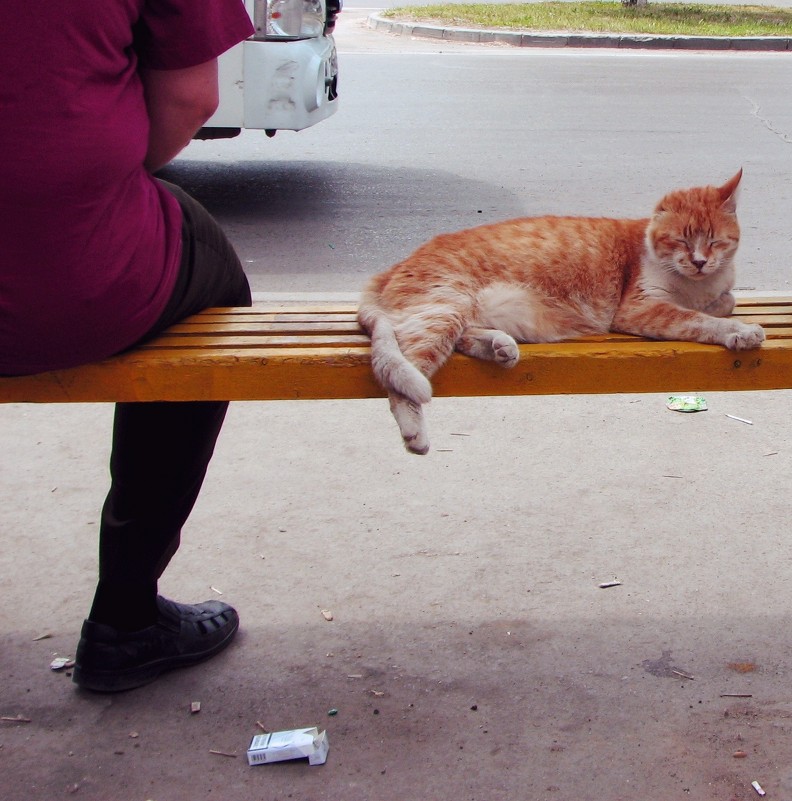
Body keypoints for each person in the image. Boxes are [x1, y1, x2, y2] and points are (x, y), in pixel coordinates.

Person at [0, 1, 255, 692]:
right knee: (215, 294)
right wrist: (90, 173)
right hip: (72, 278)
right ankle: (125, 618)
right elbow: (191, 94)